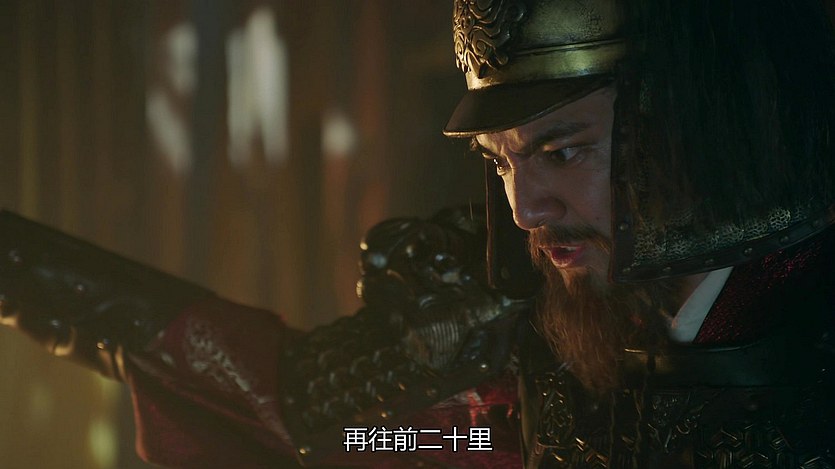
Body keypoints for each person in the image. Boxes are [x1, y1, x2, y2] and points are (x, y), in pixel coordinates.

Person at [2, 0, 834, 468]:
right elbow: (294, 403)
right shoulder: (505, 309)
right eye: (500, 162)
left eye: (562, 150)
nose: (525, 209)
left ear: (688, 128)